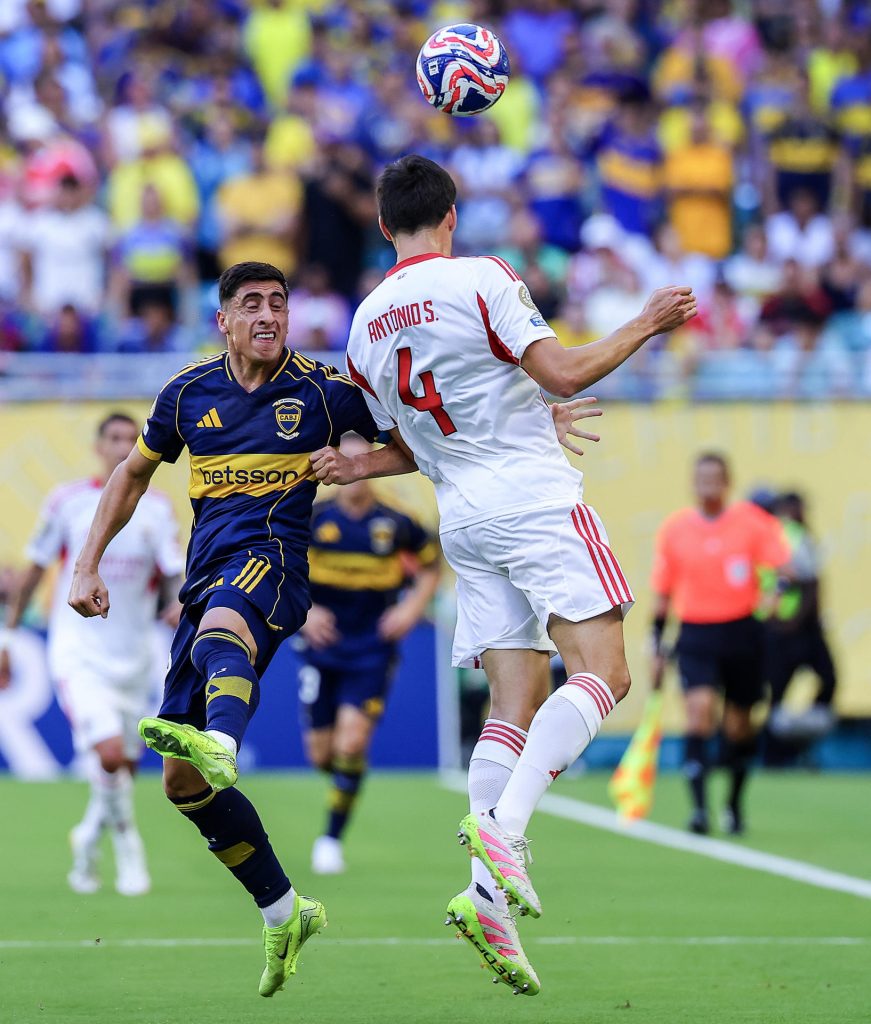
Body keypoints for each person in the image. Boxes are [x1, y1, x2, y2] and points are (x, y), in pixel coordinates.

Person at [310, 154, 696, 996]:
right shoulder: (482, 276)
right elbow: (558, 371)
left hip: (464, 520)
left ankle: (487, 901)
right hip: (531, 498)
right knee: (608, 673)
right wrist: (643, 322)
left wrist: (356, 467)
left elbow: (414, 444)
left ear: (383, 227)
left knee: (511, 705)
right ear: (451, 214)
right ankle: (505, 831)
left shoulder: (365, 323)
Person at [66, 261, 387, 999]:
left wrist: (359, 459)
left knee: (222, 629)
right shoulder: (187, 394)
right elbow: (130, 476)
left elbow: (418, 443)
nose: (269, 315)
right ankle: (283, 907)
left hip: (274, 565)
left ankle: (225, 739)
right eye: (252, 305)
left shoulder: (323, 390)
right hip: (205, 572)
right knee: (181, 783)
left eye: (279, 303)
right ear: (224, 320)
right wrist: (86, 564)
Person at [0, 413, 184, 896]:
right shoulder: (67, 502)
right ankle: (129, 847)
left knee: (122, 765)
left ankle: (86, 839)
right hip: (78, 652)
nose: (124, 447)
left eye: (133, 439)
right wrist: (7, 638)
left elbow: (172, 578)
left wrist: (180, 605)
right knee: (107, 755)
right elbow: (35, 570)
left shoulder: (158, 510)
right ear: (98, 447)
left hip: (133, 655)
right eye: (116, 439)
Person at [297, 433, 441, 874]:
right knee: (323, 755)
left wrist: (412, 608)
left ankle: (331, 838)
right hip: (321, 649)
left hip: (373, 649)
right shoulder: (312, 519)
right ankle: (346, 778)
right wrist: (306, 611)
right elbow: (283, 566)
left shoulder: (396, 523)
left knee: (352, 742)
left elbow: (432, 565)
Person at [651, 453, 791, 836]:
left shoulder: (751, 523)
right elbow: (663, 594)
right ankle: (698, 809)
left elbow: (784, 570)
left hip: (743, 632)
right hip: (696, 633)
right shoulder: (676, 529)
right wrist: (657, 646)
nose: (707, 484)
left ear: (726, 481)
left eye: (714, 477)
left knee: (738, 726)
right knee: (700, 712)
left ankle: (733, 803)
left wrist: (773, 598)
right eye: (701, 477)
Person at [763, 491, 837, 755]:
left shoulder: (790, 534)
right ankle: (778, 751)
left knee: (824, 680)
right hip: (786, 629)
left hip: (796, 629)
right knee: (779, 691)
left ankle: (789, 745)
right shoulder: (787, 534)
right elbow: (804, 582)